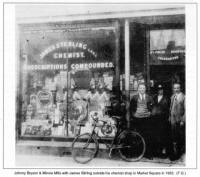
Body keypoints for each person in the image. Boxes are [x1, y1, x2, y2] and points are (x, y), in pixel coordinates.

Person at [130, 83, 154, 158]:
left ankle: (147, 154)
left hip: (146, 119)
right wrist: (134, 114)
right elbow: (131, 108)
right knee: (137, 136)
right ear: (138, 89)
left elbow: (153, 106)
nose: (142, 89)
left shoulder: (149, 97)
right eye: (140, 88)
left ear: (145, 89)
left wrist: (150, 112)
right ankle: (138, 153)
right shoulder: (134, 97)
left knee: (147, 136)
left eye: (143, 88)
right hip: (137, 119)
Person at [151, 84, 169, 157]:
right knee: (155, 135)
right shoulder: (154, 97)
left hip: (163, 120)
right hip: (154, 120)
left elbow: (168, 110)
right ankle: (156, 152)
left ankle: (162, 152)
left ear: (163, 90)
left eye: (161, 89)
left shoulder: (166, 98)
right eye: (159, 90)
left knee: (162, 136)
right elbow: (151, 107)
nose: (160, 91)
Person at [169, 82, 185, 161]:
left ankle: (178, 154)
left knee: (179, 137)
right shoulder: (172, 97)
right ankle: (175, 153)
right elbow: (171, 108)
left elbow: (186, 110)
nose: (176, 89)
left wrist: (183, 120)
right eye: (175, 88)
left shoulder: (183, 97)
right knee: (173, 137)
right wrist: (170, 117)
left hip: (179, 120)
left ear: (180, 88)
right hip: (172, 120)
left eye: (177, 88)